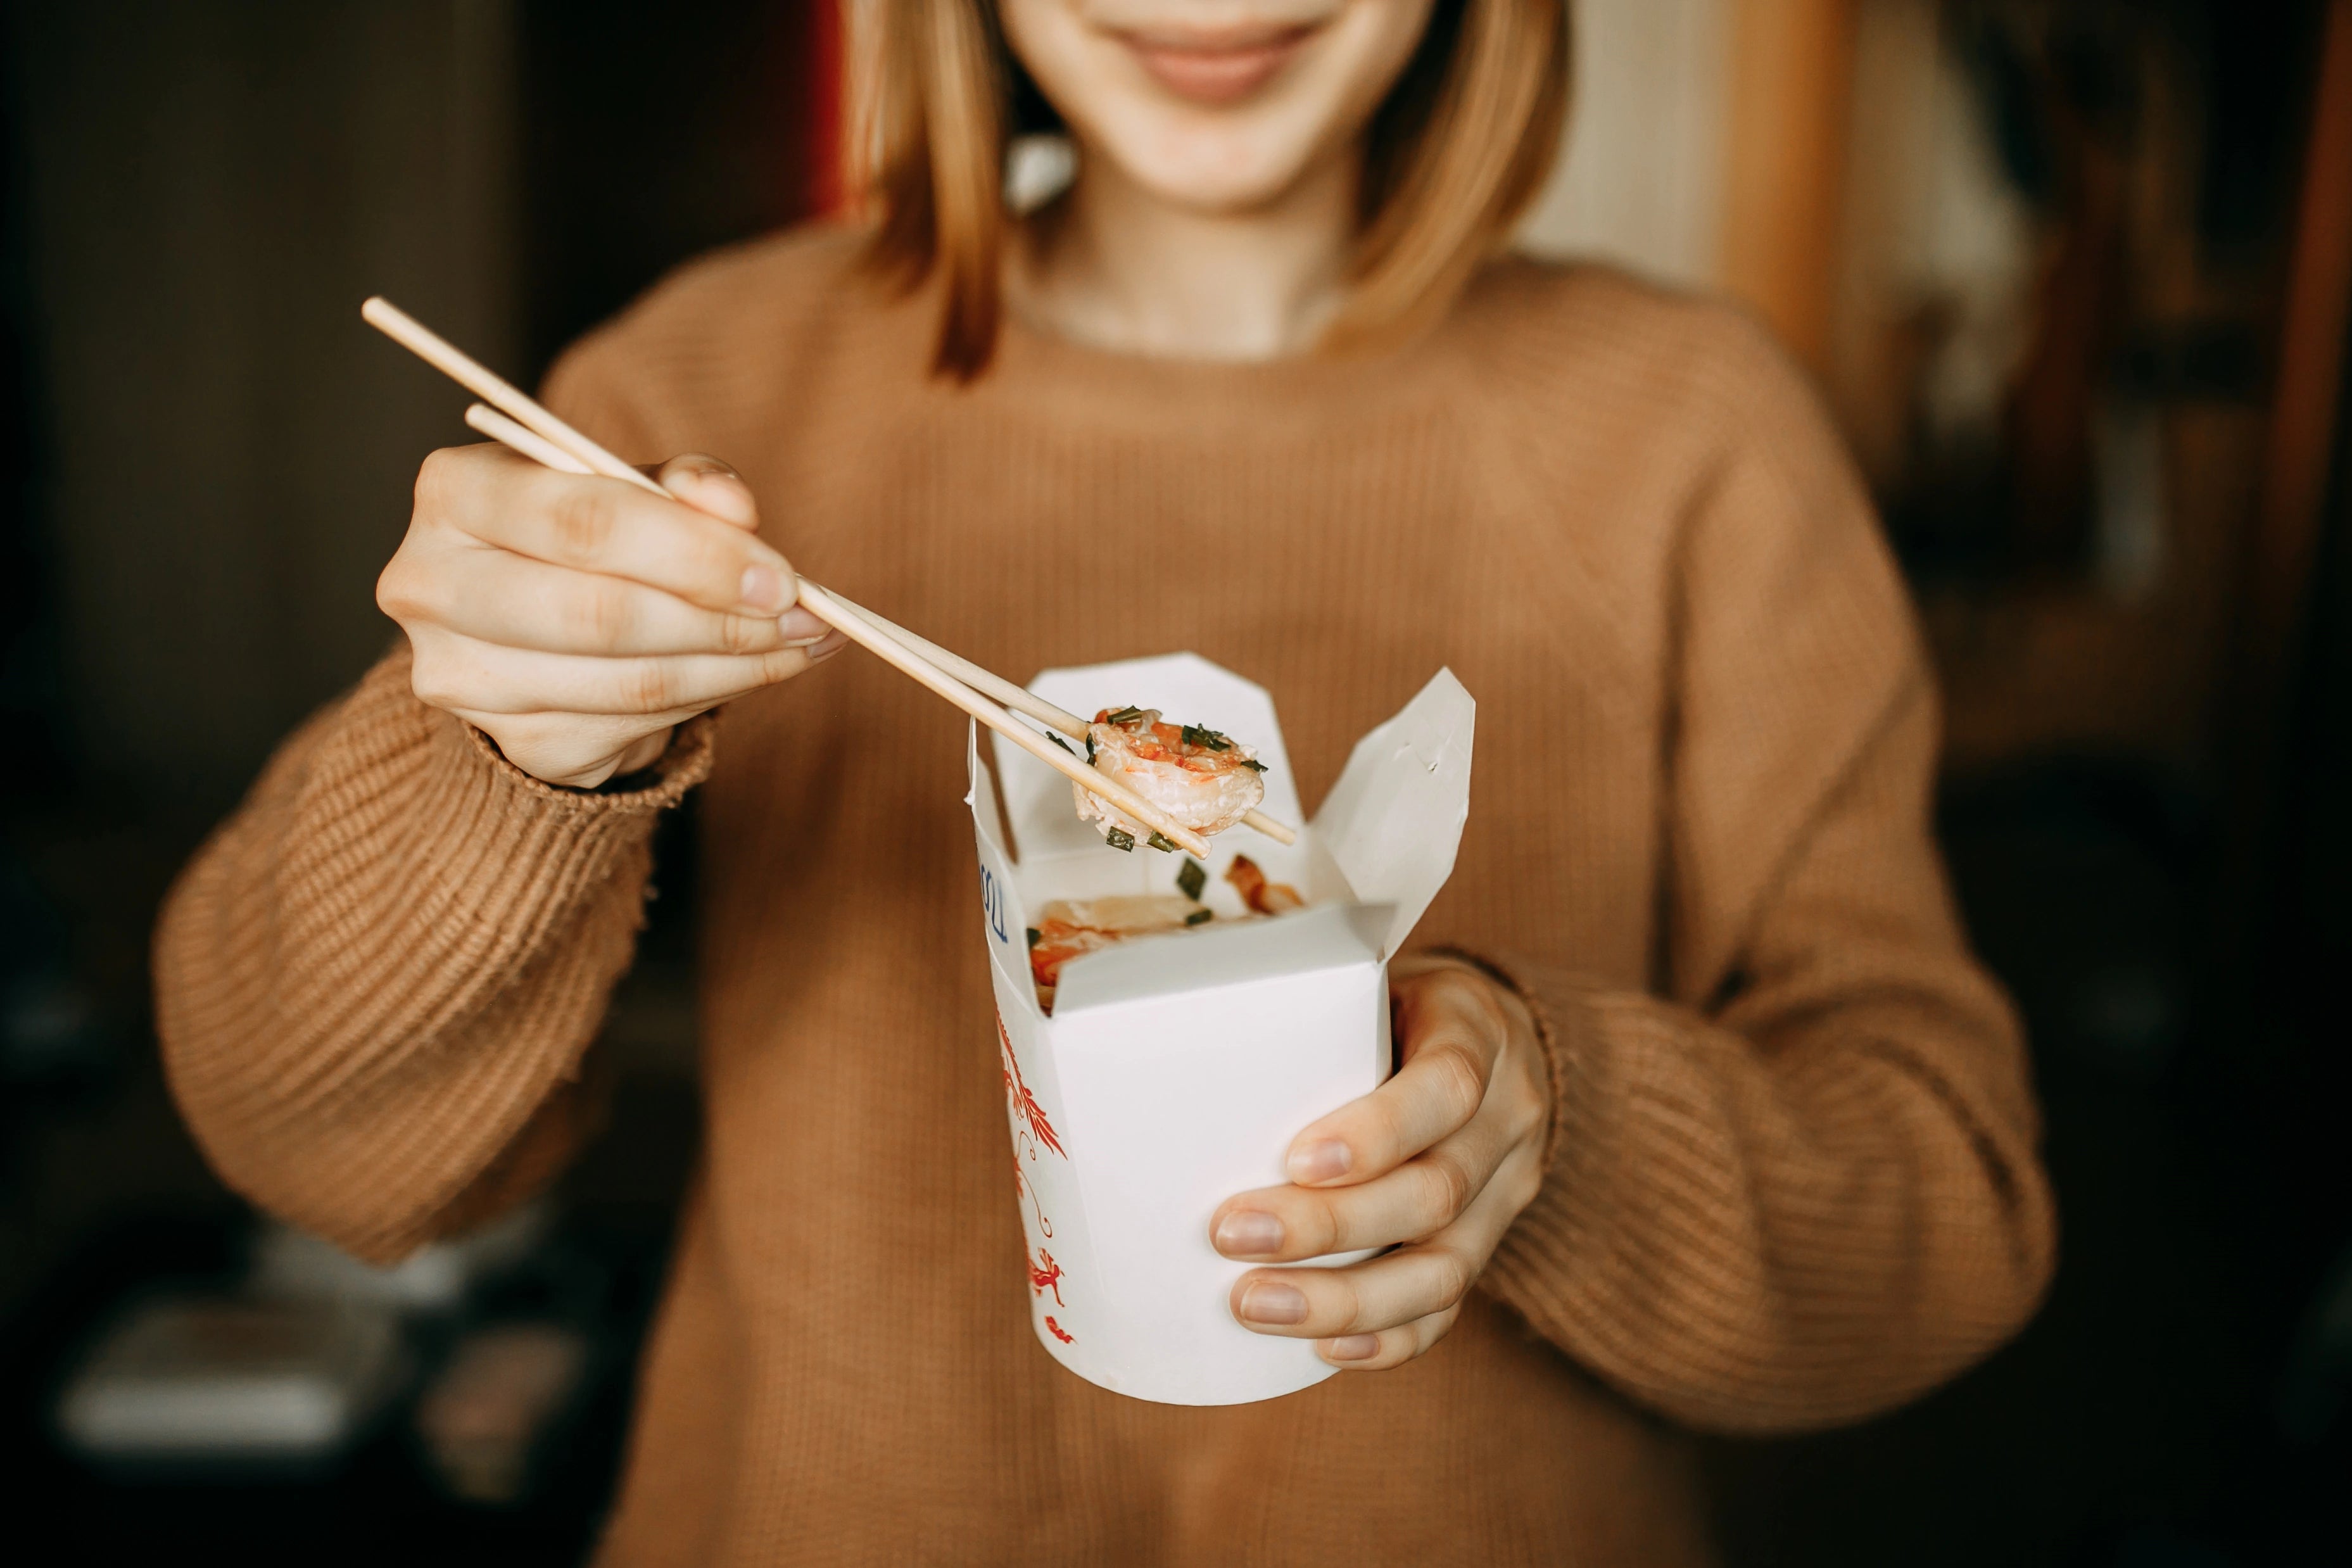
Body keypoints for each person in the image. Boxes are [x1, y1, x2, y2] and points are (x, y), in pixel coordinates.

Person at [154, 1, 2058, 1562]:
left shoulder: (1689, 437)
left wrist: (1547, 1130)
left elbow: (1947, 1214)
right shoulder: (694, 391)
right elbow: (304, 1141)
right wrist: (501, 758)